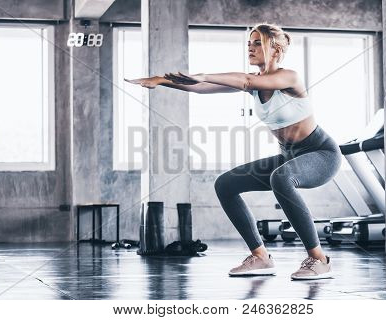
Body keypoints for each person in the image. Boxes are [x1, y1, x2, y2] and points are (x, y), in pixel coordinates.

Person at [126, 23, 342, 280]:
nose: (250, 48)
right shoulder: (254, 84)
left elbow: (245, 79)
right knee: (226, 184)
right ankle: (260, 256)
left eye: (257, 43)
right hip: (290, 155)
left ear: (275, 49)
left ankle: (319, 259)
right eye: (248, 44)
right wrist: (162, 81)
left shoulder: (290, 78)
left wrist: (204, 74)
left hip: (321, 154)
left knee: (280, 178)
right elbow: (200, 87)